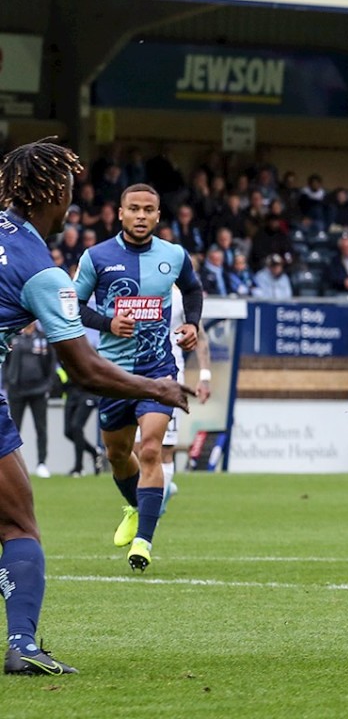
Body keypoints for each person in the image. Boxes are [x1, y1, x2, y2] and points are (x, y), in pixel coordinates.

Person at [0, 139, 190, 675]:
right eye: (68, 191)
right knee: (17, 525)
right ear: (52, 195)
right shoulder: (42, 270)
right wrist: (158, 389)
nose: (72, 203)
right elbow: (85, 369)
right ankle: (22, 646)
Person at [74, 182, 204, 573]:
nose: (141, 215)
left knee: (149, 449)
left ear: (158, 215)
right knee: (117, 454)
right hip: (112, 373)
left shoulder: (174, 255)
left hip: (157, 371)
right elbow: (72, 305)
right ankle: (136, 506)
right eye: (134, 209)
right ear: (120, 213)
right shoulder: (96, 257)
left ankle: (144, 542)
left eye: (149, 209)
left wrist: (192, 324)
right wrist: (108, 323)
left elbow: (192, 290)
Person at [134, 284, 212, 512]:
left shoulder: (179, 296)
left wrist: (205, 377)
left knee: (161, 448)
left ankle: (151, 510)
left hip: (169, 380)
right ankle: (162, 491)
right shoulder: (137, 289)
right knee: (137, 449)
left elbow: (201, 336)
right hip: (136, 378)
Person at [2, 322, 55, 478]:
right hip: (17, 391)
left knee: (41, 428)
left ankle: (42, 463)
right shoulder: (14, 336)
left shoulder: (43, 337)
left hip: (39, 391)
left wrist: (48, 385)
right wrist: (8, 382)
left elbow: (51, 363)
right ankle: (15, 465)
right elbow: (5, 360)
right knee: (14, 428)